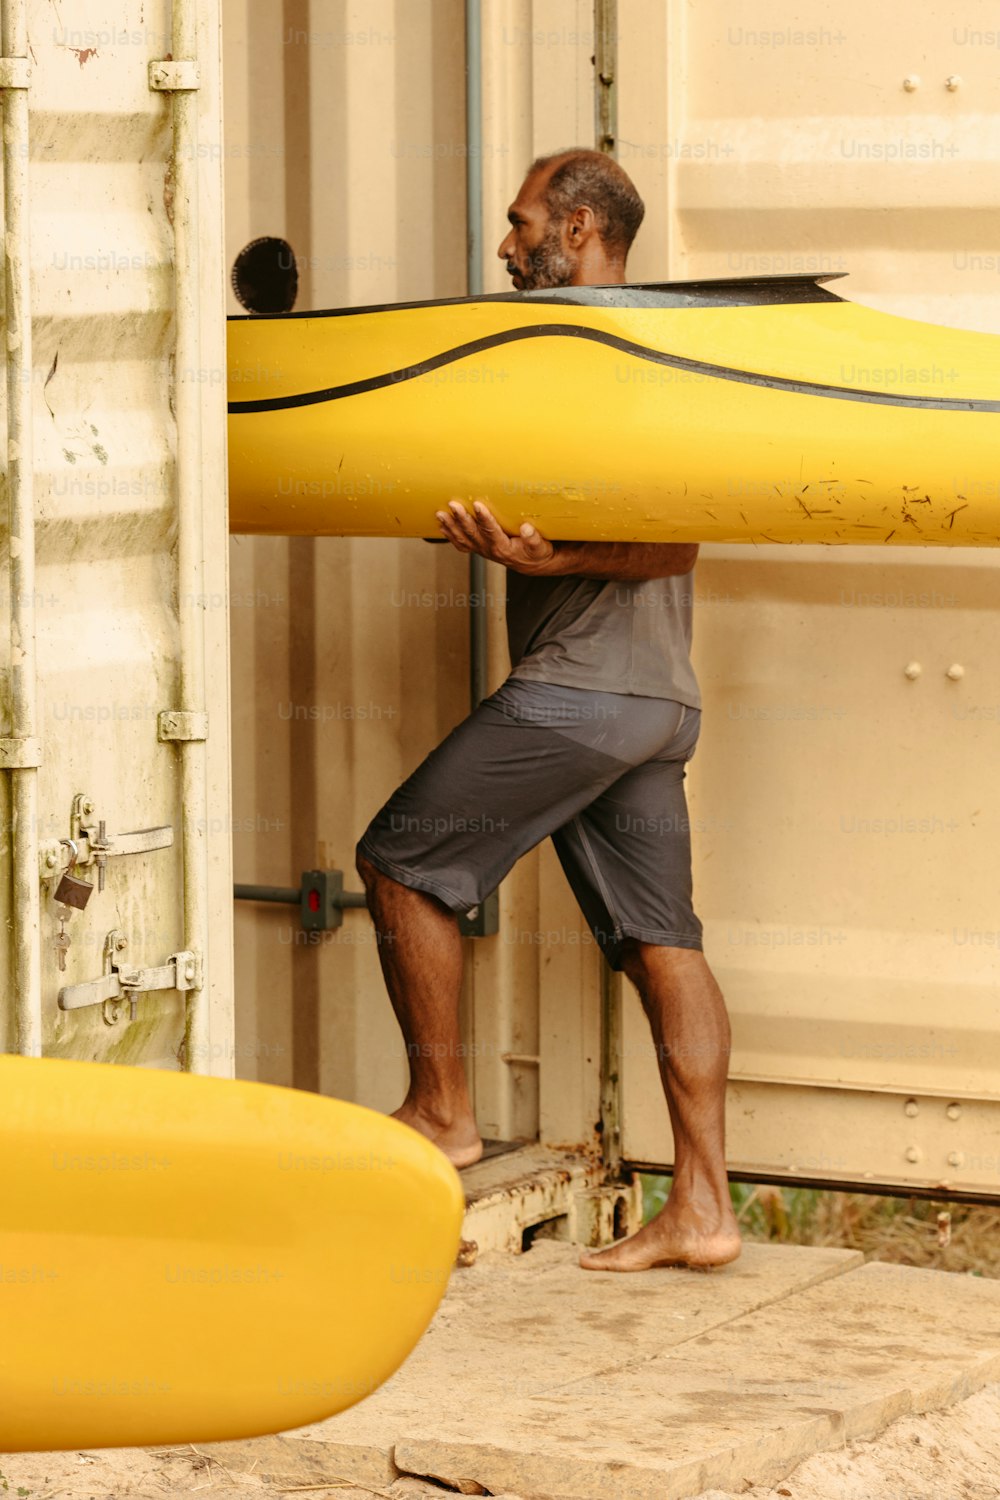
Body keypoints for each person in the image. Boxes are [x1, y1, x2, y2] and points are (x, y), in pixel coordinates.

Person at [356, 148, 740, 1272]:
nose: (506, 243)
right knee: (661, 943)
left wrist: (553, 554)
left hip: (583, 693)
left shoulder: (606, 345)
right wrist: (514, 540)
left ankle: (441, 1112)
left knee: (402, 862)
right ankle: (706, 1210)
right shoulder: (605, 356)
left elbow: (679, 529)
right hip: (658, 702)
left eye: (522, 223)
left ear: (576, 230)